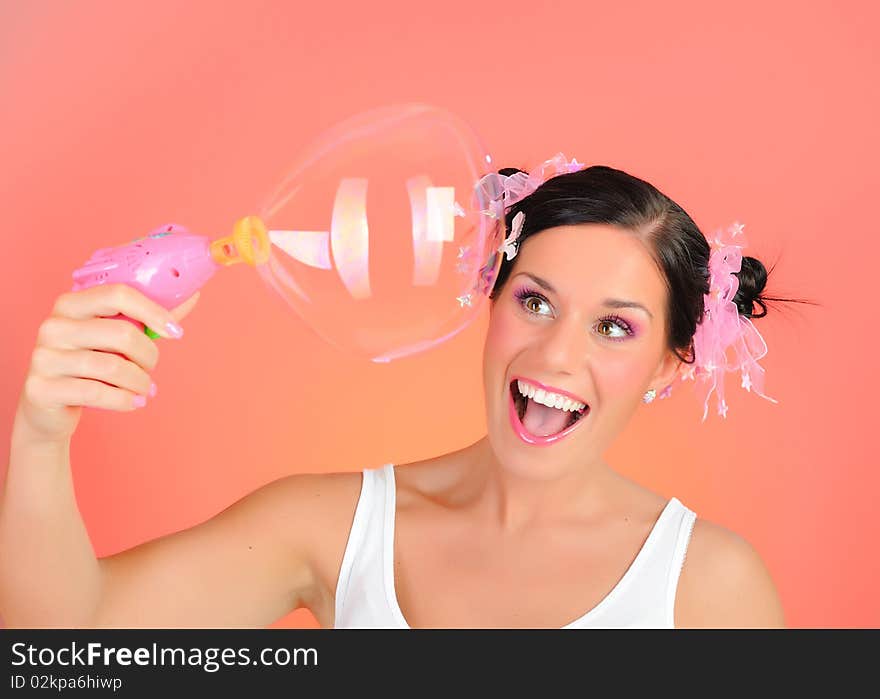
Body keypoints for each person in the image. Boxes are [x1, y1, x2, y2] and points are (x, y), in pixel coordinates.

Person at [1, 163, 791, 629]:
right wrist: (41, 434)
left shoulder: (709, 584)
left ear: (667, 366)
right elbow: (70, 637)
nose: (556, 354)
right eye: (535, 302)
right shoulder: (335, 527)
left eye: (615, 327)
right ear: (491, 298)